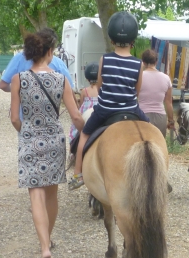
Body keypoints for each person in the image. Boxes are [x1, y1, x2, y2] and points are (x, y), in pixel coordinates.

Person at [11, 32, 84, 258]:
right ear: (50, 52)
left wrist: (27, 131)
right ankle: (48, 241)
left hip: (30, 139)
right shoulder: (62, 80)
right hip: (54, 140)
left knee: (36, 195)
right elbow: (75, 116)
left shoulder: (18, 79)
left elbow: (14, 118)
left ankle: (44, 249)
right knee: (52, 195)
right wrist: (88, 129)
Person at [69, 11, 149, 189]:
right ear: (133, 41)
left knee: (84, 135)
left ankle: (78, 174)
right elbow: (137, 90)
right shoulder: (138, 64)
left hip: (105, 109)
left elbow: (98, 86)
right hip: (131, 109)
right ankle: (161, 176)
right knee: (152, 132)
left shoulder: (104, 59)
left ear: (111, 40)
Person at [0, 28, 74, 93]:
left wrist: (18, 90)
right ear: (50, 50)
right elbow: (69, 90)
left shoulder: (19, 58)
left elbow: (3, 85)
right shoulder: (58, 63)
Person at [68, 62, 101, 167]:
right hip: (99, 112)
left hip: (88, 114)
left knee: (74, 129)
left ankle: (72, 152)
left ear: (87, 78)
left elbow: (81, 106)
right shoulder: (102, 89)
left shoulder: (85, 91)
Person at [138, 49, 174, 138]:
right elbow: (169, 102)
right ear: (156, 61)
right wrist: (170, 120)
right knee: (159, 147)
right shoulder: (166, 78)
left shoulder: (139, 77)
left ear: (143, 62)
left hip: (142, 115)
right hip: (160, 117)